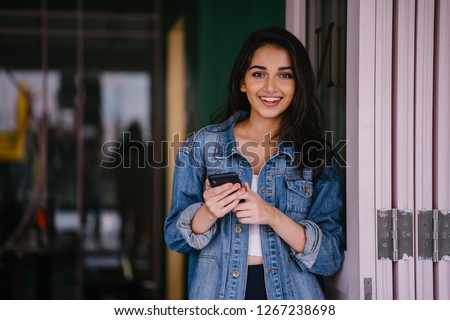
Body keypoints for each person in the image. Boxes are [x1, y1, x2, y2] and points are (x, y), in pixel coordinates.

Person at [164, 26, 344, 300]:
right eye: (259, 74)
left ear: (298, 85)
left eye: (284, 75)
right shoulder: (201, 146)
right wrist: (208, 212)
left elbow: (330, 257)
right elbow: (175, 238)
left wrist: (271, 215)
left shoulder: (316, 155)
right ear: (242, 82)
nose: (271, 87)